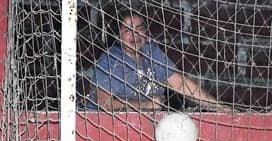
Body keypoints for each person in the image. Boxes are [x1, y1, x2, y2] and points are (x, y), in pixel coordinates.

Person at [91, 9, 227, 112]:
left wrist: (219, 108)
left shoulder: (152, 53)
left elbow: (181, 84)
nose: (136, 34)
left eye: (139, 29)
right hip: (104, 125)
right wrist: (143, 105)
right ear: (117, 35)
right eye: (128, 30)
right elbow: (103, 103)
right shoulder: (110, 61)